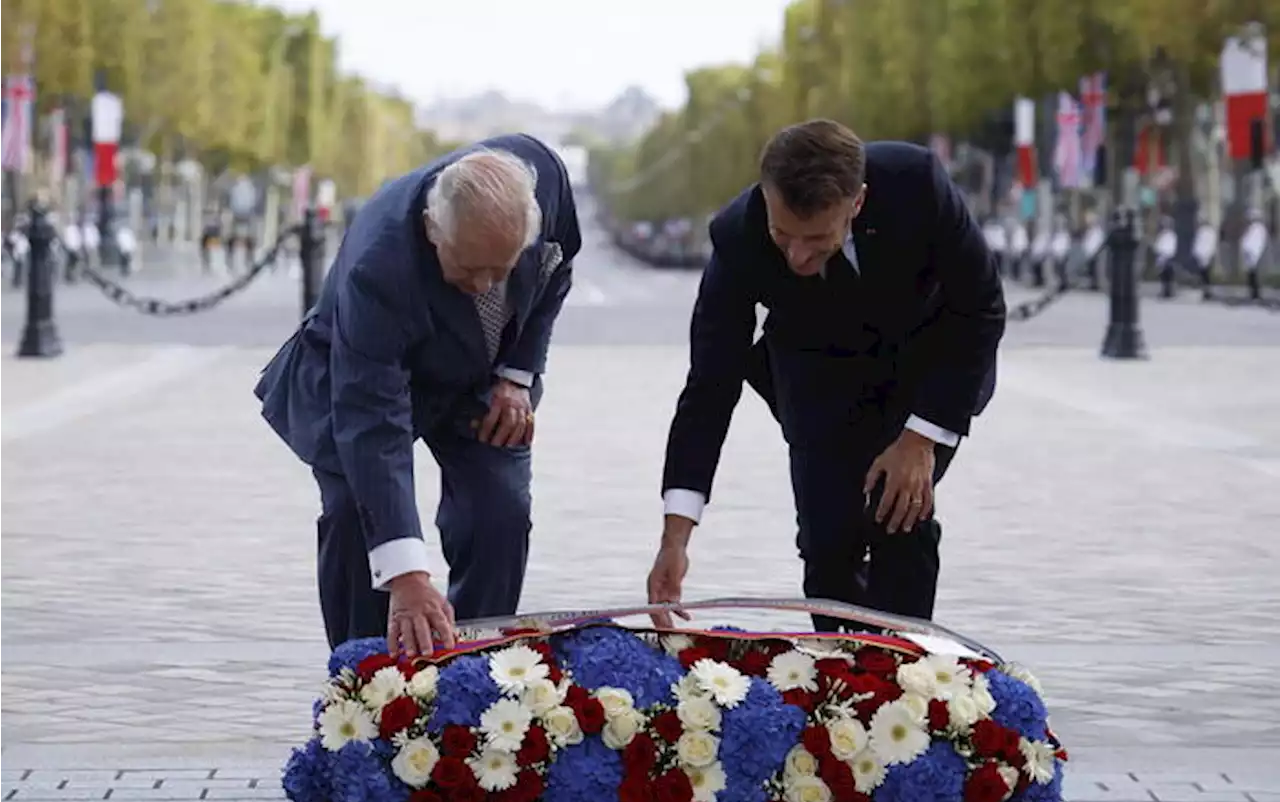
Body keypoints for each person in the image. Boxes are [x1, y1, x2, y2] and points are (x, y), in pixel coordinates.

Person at [648, 120, 1006, 633]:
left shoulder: (917, 185)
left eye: (816, 238)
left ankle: (908, 677)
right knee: (826, 539)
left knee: (897, 516)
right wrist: (675, 539)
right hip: (815, 376)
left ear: (856, 202)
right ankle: (842, 678)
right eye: (782, 235)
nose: (796, 256)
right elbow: (709, 384)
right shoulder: (738, 237)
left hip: (927, 370)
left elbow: (982, 307)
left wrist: (920, 439)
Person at [254, 134, 581, 657]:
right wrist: (407, 578)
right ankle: (368, 682)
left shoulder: (549, 182)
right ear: (433, 229)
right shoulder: (377, 266)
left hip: (484, 374)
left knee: (501, 512)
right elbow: (373, 421)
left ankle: (473, 667)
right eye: (469, 269)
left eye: (501, 270)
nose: (485, 285)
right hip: (365, 371)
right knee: (353, 513)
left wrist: (517, 374)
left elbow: (555, 274)